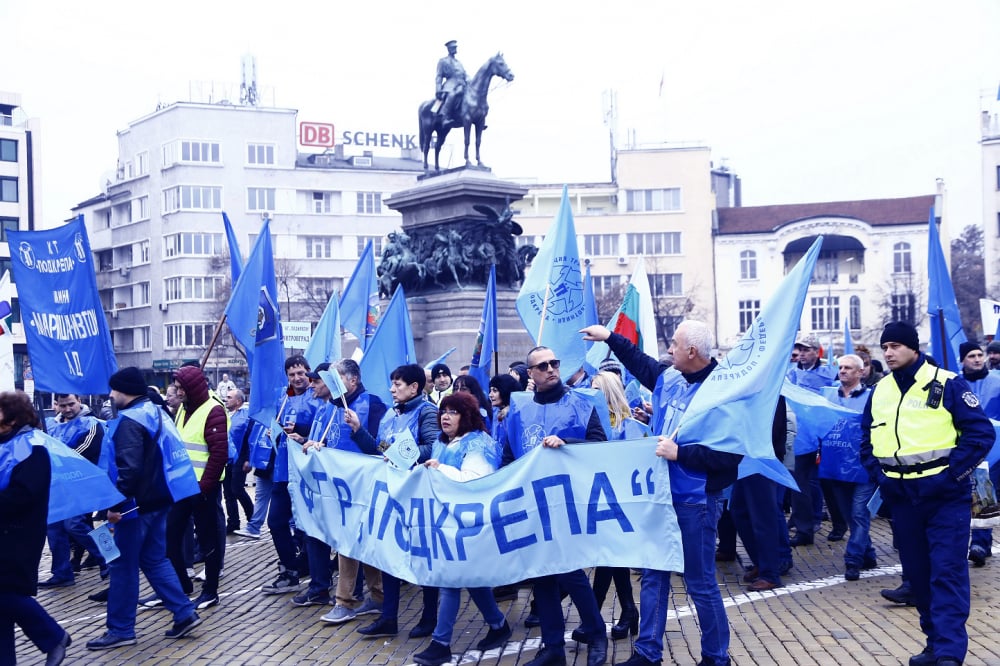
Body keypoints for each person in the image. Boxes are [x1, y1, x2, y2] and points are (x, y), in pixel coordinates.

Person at [582, 321, 741, 666]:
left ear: (692, 352)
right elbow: (640, 362)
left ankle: (716, 657)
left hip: (697, 501)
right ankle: (647, 652)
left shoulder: (723, 393)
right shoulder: (671, 378)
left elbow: (730, 457)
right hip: (660, 495)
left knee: (699, 583)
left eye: (675, 345)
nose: (669, 351)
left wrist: (681, 454)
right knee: (654, 573)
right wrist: (610, 337)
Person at [859, 322, 994, 666]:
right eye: (884, 346)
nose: (888, 352)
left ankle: (949, 651)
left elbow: (979, 435)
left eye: (895, 346)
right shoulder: (880, 390)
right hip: (902, 497)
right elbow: (867, 441)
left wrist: (951, 477)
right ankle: (934, 644)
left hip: (944, 497)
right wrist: (882, 478)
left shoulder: (948, 382)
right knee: (917, 575)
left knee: (946, 572)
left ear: (913, 348)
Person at [499, 346, 608, 666]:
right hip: (532, 504)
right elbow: (509, 457)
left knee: (570, 572)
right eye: (542, 365)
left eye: (554, 363)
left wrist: (568, 444)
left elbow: (601, 447)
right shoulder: (518, 411)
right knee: (542, 576)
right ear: (530, 374)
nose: (550, 369)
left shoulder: (580, 404)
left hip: (568, 502)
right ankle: (553, 646)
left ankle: (596, 631)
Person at [87, 367, 202, 650]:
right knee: (154, 560)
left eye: (114, 390)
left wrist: (113, 506)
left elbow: (129, 469)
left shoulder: (129, 421)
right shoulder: (156, 412)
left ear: (125, 390)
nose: (111, 396)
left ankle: (121, 629)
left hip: (133, 506)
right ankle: (184, 612)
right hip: (159, 499)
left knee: (122, 566)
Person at [411, 392, 512, 666]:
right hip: (447, 522)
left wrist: (440, 469)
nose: (445, 416)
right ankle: (498, 624)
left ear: (466, 415)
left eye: (453, 411)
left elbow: (475, 481)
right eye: (443, 410)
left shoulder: (479, 444)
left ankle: (440, 643)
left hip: (471, 523)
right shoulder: (442, 443)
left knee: (451, 580)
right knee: (469, 577)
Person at [347, 363, 440, 639]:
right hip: (391, 494)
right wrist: (358, 429)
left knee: (423, 559)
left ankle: (430, 617)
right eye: (392, 384)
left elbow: (434, 447)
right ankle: (389, 618)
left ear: (414, 387)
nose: (391, 389)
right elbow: (380, 449)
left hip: (418, 496)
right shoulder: (390, 414)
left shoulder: (428, 412)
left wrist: (400, 453)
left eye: (397, 384)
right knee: (390, 556)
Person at [0, 391, 73, 665]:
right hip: (4, 530)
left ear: (14, 416)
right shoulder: (5, 442)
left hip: (17, 534)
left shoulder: (30, 446)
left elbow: (24, 494)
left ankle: (53, 636)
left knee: (6, 594)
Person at [319, 359, 387, 625]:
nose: (331, 384)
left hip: (365, 485)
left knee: (350, 541)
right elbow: (327, 440)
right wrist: (315, 445)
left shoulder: (373, 404)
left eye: (337, 377)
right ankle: (378, 597)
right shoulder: (331, 408)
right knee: (359, 541)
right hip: (339, 487)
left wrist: (360, 429)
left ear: (353, 380)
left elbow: (383, 445)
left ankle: (344, 601)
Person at [588, 371, 645, 639]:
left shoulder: (628, 423)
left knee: (608, 556)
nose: (592, 392)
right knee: (612, 557)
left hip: (621, 498)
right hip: (601, 495)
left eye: (597, 388)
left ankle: (593, 617)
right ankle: (628, 611)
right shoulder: (593, 419)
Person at [166, 366, 228, 611]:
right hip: (182, 486)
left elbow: (219, 454)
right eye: (177, 387)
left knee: (207, 541)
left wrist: (205, 487)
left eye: (181, 388)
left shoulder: (213, 410)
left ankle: (210, 591)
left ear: (191, 388)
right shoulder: (183, 408)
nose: (177, 392)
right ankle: (181, 584)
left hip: (203, 489)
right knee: (171, 537)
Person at [261, 355, 322, 594]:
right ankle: (290, 569)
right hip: (283, 471)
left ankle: (312, 573)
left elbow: (321, 434)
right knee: (275, 521)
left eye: (301, 373)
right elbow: (279, 429)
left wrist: (303, 435)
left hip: (307, 473)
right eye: (292, 374)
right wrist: (273, 433)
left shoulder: (318, 398)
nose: (297, 378)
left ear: (308, 372)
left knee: (309, 526)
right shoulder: (283, 399)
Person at [818, 355, 877, 581]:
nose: (842, 371)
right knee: (849, 515)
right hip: (835, 465)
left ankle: (853, 560)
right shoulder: (828, 396)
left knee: (859, 514)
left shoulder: (871, 397)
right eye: (840, 367)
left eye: (848, 368)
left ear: (860, 372)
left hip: (863, 466)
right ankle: (868, 554)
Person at [41, 393, 107, 587]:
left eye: (71, 404)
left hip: (85, 483)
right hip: (58, 485)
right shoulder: (51, 425)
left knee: (76, 524)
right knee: (54, 527)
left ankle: (111, 557)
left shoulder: (92, 423)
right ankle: (62, 572)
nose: (68, 409)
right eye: (63, 405)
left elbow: (81, 452)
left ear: (79, 400)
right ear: (56, 405)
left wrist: (53, 460)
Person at [731, 398, 792, 591]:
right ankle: (761, 562)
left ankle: (770, 573)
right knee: (738, 511)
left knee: (763, 518)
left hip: (762, 458)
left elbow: (770, 429)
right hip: (745, 458)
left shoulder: (769, 389)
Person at [957, 341, 1000, 566]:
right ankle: (978, 541)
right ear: (962, 360)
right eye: (971, 356)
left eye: (979, 355)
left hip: (994, 449)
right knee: (967, 495)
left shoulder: (997, 381)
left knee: (984, 493)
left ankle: (980, 543)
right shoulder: (955, 383)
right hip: (964, 447)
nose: (977, 359)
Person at [222, 389, 254, 534]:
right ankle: (233, 522)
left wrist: (249, 459)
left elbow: (251, 438)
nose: (226, 399)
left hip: (240, 457)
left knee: (237, 489)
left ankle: (252, 519)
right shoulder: (224, 414)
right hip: (226, 458)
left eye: (229, 397)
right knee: (228, 492)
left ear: (238, 401)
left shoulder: (246, 416)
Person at [435, 40, 467, 129]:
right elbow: (439, 76)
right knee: (452, 95)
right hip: (450, 84)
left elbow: (465, 74)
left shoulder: (459, 62)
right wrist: (438, 89)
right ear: (449, 49)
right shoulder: (443, 61)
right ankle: (444, 117)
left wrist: (472, 82)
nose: (455, 49)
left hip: (462, 84)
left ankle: (477, 118)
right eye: (453, 48)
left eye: (455, 47)